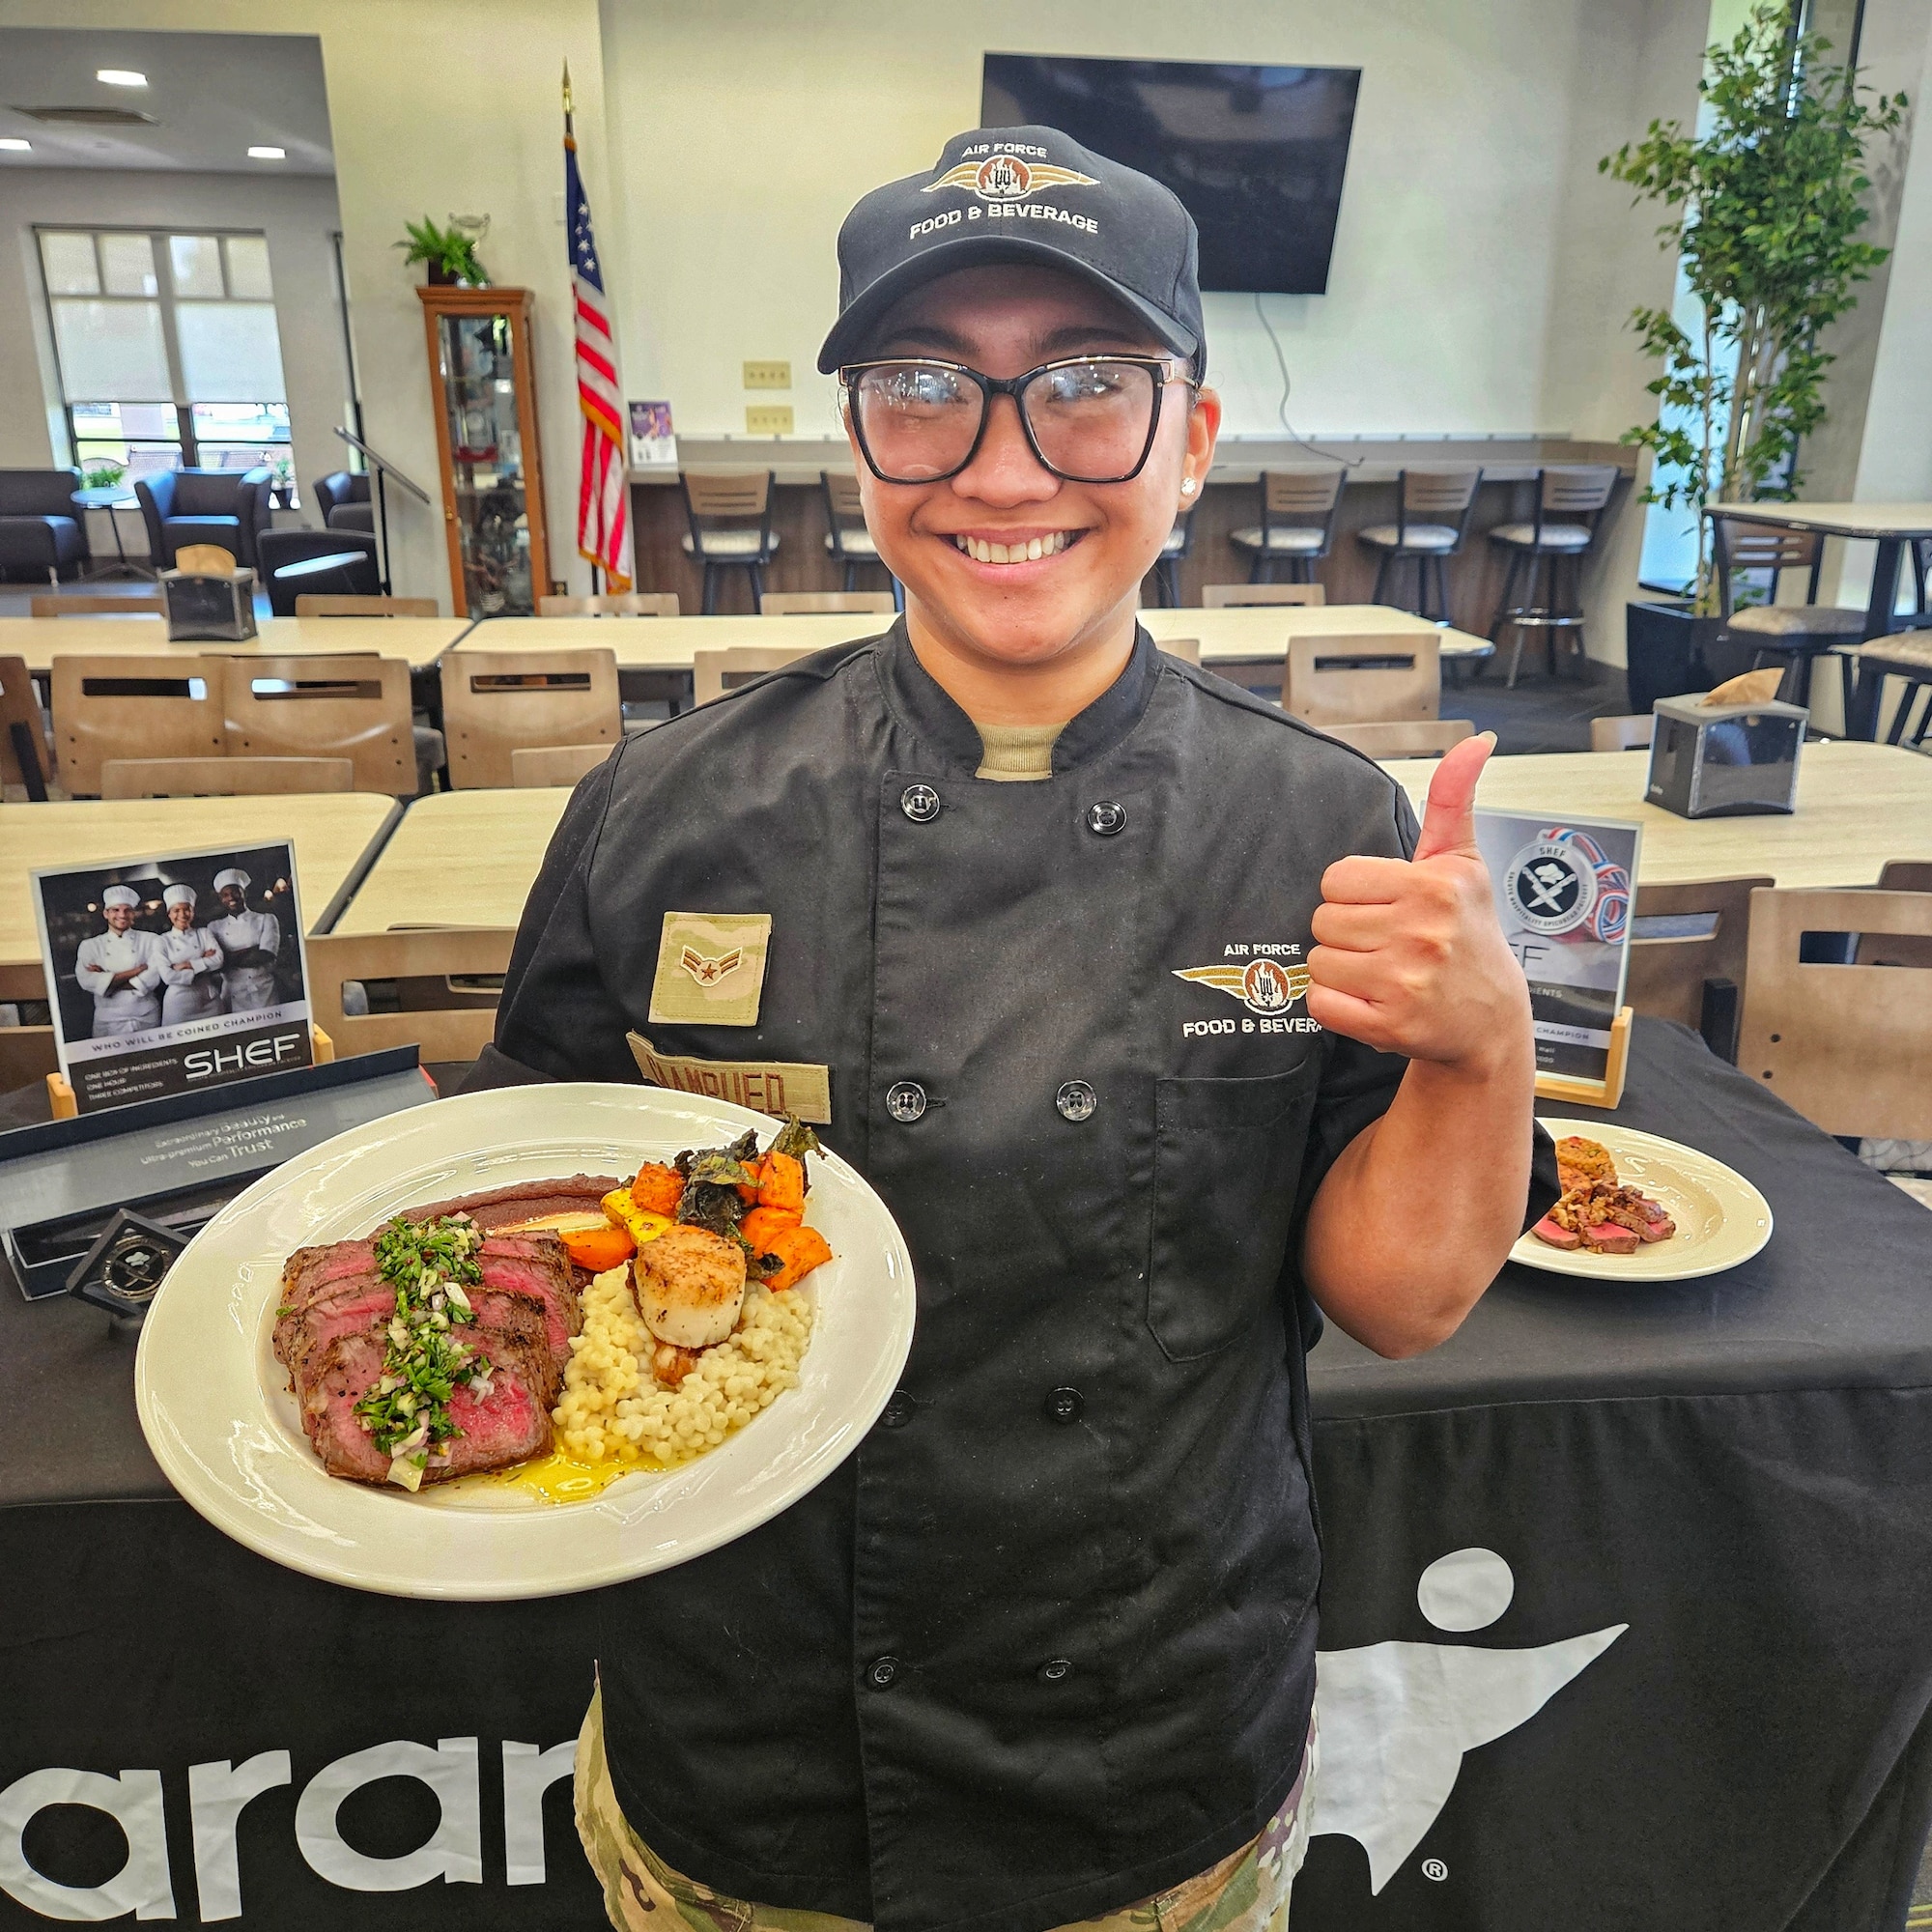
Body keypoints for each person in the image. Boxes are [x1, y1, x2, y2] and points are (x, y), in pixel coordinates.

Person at [469, 126, 1548, 1932]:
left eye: (1087, 384)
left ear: (1193, 441)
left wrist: (1483, 1047)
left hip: (1148, 1752)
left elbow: (1401, 1300)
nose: (1001, 464)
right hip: (743, 1745)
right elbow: (536, 1208)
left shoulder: (1325, 829)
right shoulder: (665, 813)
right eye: (922, 388)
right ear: (858, 444)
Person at [72, 884, 161, 1038]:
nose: (122, 915)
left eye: (127, 910)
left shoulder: (152, 940)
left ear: (133, 914)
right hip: (108, 1020)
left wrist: (107, 981)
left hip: (145, 1016)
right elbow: (86, 981)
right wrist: (136, 971)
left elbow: (154, 977)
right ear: (106, 914)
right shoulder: (90, 946)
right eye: (115, 910)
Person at [149, 883, 226, 1027]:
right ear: (169, 914)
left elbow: (219, 960)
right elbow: (167, 976)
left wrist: (185, 965)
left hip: (209, 999)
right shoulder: (162, 941)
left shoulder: (203, 933)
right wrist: (203, 962)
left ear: (193, 911)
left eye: (187, 909)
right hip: (179, 1004)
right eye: (176, 910)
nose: (182, 915)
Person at [208, 868, 280, 1013]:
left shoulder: (266, 919)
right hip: (232, 992)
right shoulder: (214, 927)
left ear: (245, 893)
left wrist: (227, 957)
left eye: (235, 892)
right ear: (221, 899)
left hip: (264, 989)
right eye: (225, 895)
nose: (231, 897)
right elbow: (215, 964)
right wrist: (251, 950)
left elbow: (266, 955)